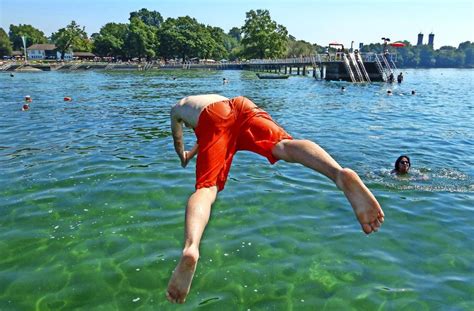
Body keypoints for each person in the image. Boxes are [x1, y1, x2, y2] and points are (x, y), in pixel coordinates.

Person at [167, 94, 385, 304]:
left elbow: (181, 138)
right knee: (284, 146)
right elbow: (213, 130)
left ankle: (191, 247)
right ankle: (338, 174)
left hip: (215, 119)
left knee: (207, 188)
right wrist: (194, 151)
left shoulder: (176, 109)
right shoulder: (199, 103)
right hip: (241, 106)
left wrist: (183, 156)